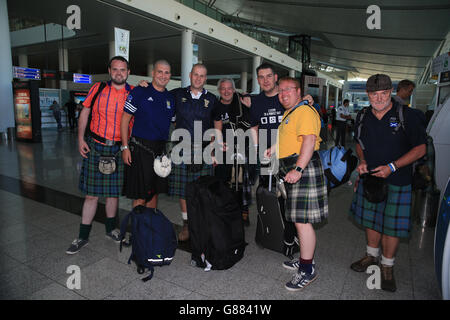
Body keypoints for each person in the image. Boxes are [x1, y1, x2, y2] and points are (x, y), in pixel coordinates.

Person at [349, 74, 427, 292]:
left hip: (399, 180)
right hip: (371, 178)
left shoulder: (407, 115)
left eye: (384, 93)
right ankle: (371, 256)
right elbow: (359, 143)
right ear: (368, 94)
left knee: (391, 227)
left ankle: (387, 266)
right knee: (372, 221)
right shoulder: (363, 115)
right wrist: (362, 160)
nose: (379, 98)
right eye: (374, 94)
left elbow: (420, 149)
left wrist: (392, 166)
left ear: (391, 92)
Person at [265, 76, 328, 291]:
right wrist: (273, 149)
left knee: (302, 221)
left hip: (303, 167)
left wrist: (299, 169)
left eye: (287, 90)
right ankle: (304, 259)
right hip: (294, 166)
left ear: (298, 91)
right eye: (280, 90)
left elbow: (309, 141)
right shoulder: (291, 112)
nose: (283, 94)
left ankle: (307, 269)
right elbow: (290, 138)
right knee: (298, 218)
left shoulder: (304, 111)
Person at [66, 56, 133, 255]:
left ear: (128, 72)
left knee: (113, 193)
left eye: (123, 69)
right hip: (96, 145)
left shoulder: (134, 93)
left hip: (119, 148)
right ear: (109, 71)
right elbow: (85, 112)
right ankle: (83, 236)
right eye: (115, 69)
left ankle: (111, 230)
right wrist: (80, 139)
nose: (119, 73)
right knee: (91, 194)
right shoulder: (98, 88)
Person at [170, 64, 223, 241]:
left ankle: (200, 224)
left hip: (205, 150)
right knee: (183, 191)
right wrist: (143, 86)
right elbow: (159, 97)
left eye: (202, 76)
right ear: (190, 75)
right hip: (181, 149)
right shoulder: (177, 94)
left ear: (205, 79)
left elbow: (217, 125)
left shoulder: (213, 99)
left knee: (202, 190)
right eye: (196, 75)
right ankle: (186, 225)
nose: (198, 78)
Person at [120, 60, 175, 209]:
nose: (163, 76)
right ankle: (138, 230)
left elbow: (174, 124)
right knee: (140, 194)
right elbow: (125, 119)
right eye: (159, 72)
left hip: (160, 150)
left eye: (166, 72)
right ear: (153, 73)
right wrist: (124, 147)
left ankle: (150, 228)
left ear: (170, 75)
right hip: (140, 148)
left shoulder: (170, 98)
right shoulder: (140, 91)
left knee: (154, 192)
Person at [215, 78, 252, 226]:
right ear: (219, 91)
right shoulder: (216, 106)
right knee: (223, 182)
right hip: (223, 149)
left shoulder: (243, 102)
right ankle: (226, 210)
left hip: (242, 147)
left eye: (229, 88)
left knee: (242, 182)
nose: (226, 91)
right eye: (223, 88)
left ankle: (243, 211)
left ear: (234, 90)